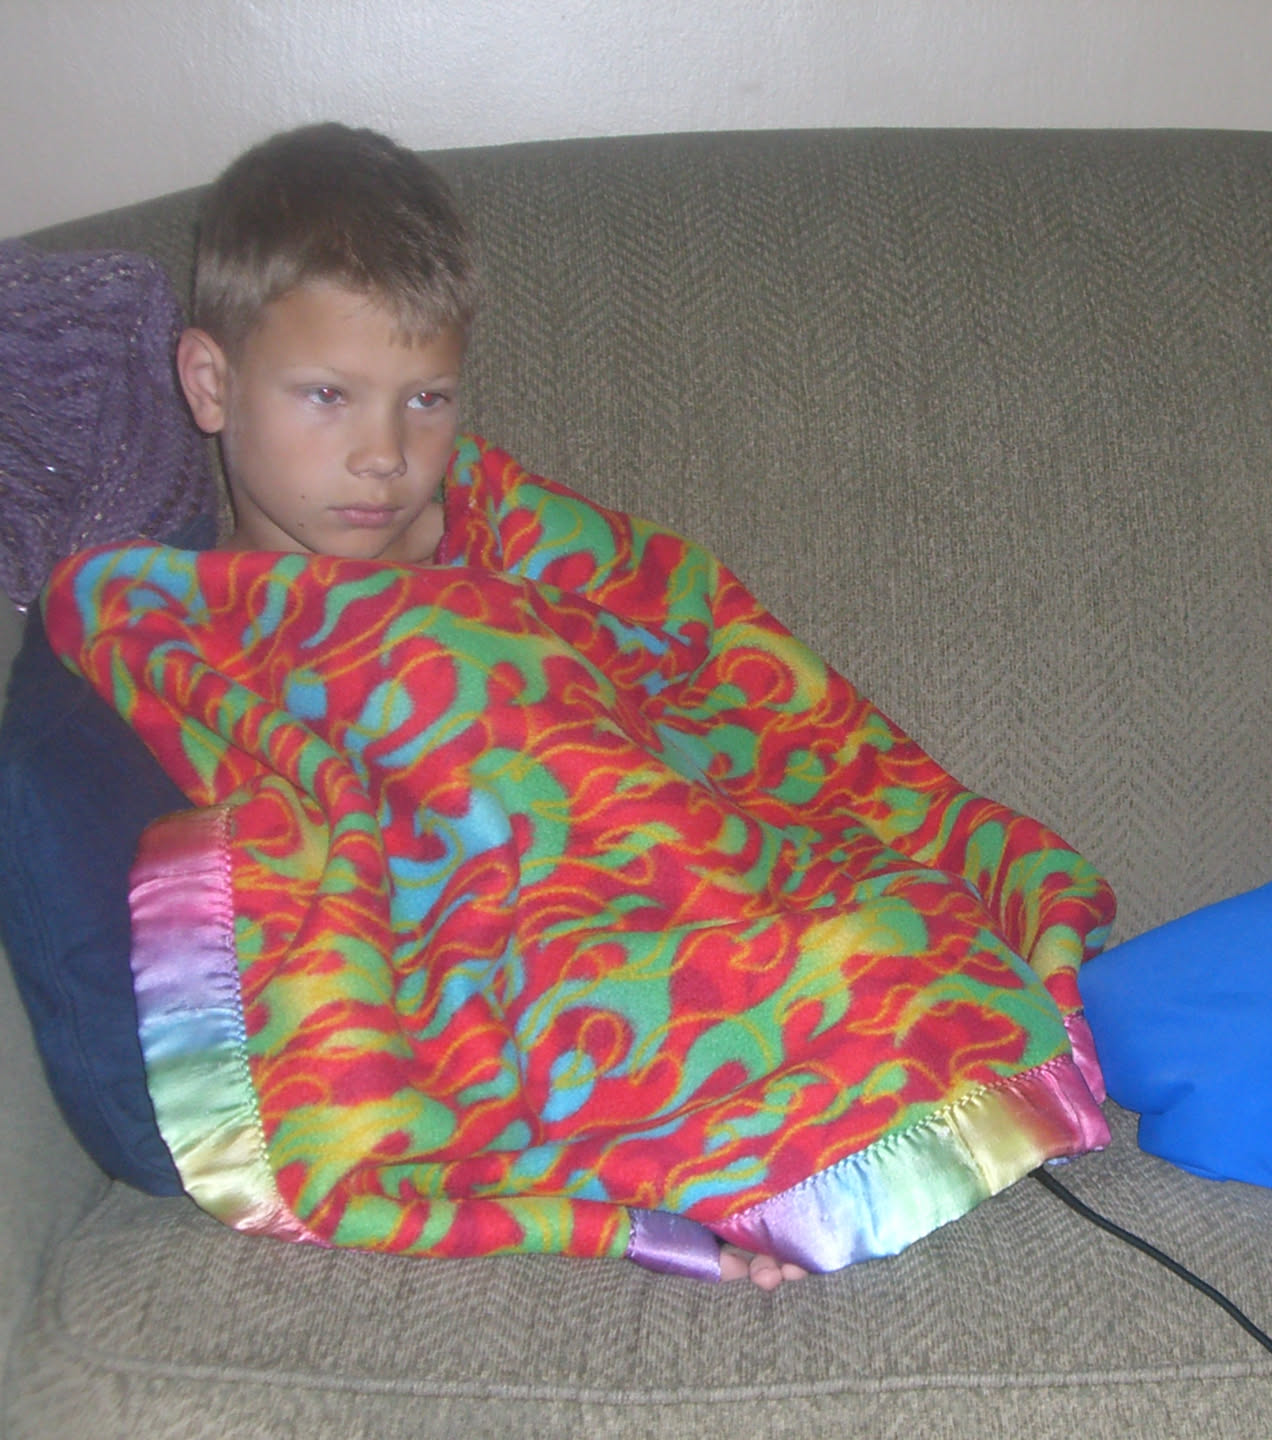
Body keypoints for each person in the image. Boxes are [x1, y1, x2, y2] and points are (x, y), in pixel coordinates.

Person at [37, 124, 1113, 1291]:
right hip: (492, 954)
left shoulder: (510, 530)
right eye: (328, 397)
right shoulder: (180, 620)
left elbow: (694, 660)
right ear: (210, 383)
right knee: (613, 1017)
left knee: (882, 938)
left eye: (427, 399)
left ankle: (791, 1155)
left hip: (680, 875)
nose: (384, 455)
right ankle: (731, 1175)